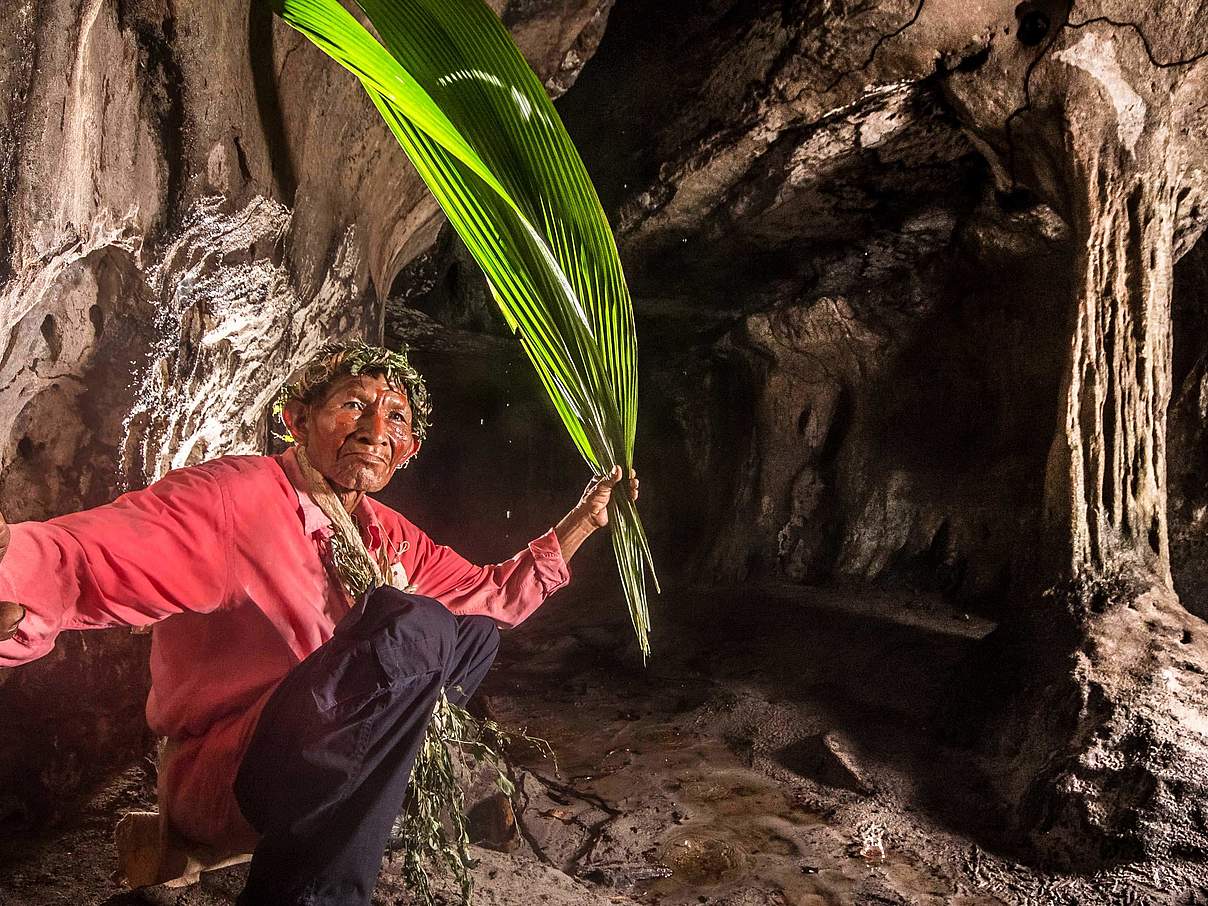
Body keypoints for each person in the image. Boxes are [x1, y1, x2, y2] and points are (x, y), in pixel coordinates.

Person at [0, 341, 637, 905]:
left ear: (406, 451)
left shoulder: (381, 531)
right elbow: (97, 552)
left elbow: (492, 596)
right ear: (297, 420)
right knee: (413, 626)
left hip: (325, 757)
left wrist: (585, 518)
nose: (374, 429)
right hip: (231, 769)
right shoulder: (239, 497)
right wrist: (14, 571)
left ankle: (349, 810)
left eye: (395, 418)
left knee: (468, 634)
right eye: (353, 406)